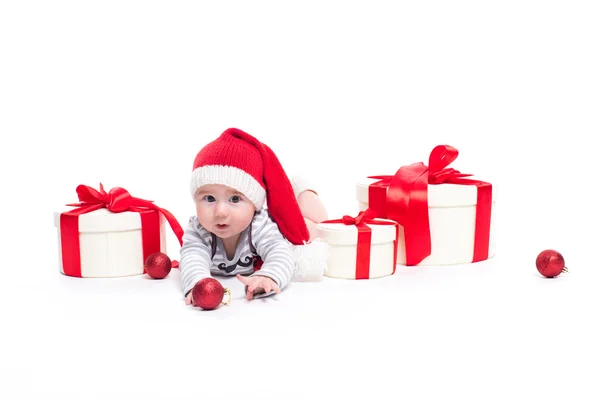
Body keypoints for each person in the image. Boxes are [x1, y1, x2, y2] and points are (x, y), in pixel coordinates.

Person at [180, 127, 328, 305]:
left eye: (235, 198)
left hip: (286, 226)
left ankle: (301, 191)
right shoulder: (198, 229)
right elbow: (192, 257)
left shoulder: (259, 225)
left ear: (254, 204)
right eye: (209, 198)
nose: (220, 212)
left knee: (312, 229)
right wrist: (198, 284)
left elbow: (279, 253)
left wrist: (268, 276)